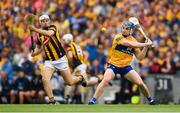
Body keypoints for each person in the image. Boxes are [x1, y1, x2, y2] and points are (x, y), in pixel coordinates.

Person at [88, 21, 159, 105]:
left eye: (127, 29)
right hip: (114, 65)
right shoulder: (118, 37)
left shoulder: (134, 41)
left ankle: (151, 100)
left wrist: (146, 47)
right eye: (123, 28)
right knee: (105, 80)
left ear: (131, 31)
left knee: (141, 83)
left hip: (126, 67)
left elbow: (140, 57)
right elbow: (127, 43)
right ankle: (93, 100)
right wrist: (145, 43)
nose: (124, 30)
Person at [28, 14, 87, 104]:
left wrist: (34, 29)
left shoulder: (53, 28)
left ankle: (80, 78)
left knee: (69, 82)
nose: (45, 22)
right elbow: (38, 48)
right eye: (43, 21)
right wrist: (34, 53)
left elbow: (49, 34)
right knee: (45, 79)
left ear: (49, 21)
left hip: (60, 59)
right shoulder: (39, 35)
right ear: (40, 23)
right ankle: (52, 101)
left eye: (46, 20)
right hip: (49, 61)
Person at [62, 34, 104, 103]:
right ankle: (67, 97)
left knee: (81, 82)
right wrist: (85, 62)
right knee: (73, 82)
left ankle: (98, 79)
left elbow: (70, 56)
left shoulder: (69, 46)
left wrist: (71, 65)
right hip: (81, 65)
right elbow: (85, 54)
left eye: (64, 40)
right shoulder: (76, 45)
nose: (63, 42)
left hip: (78, 66)